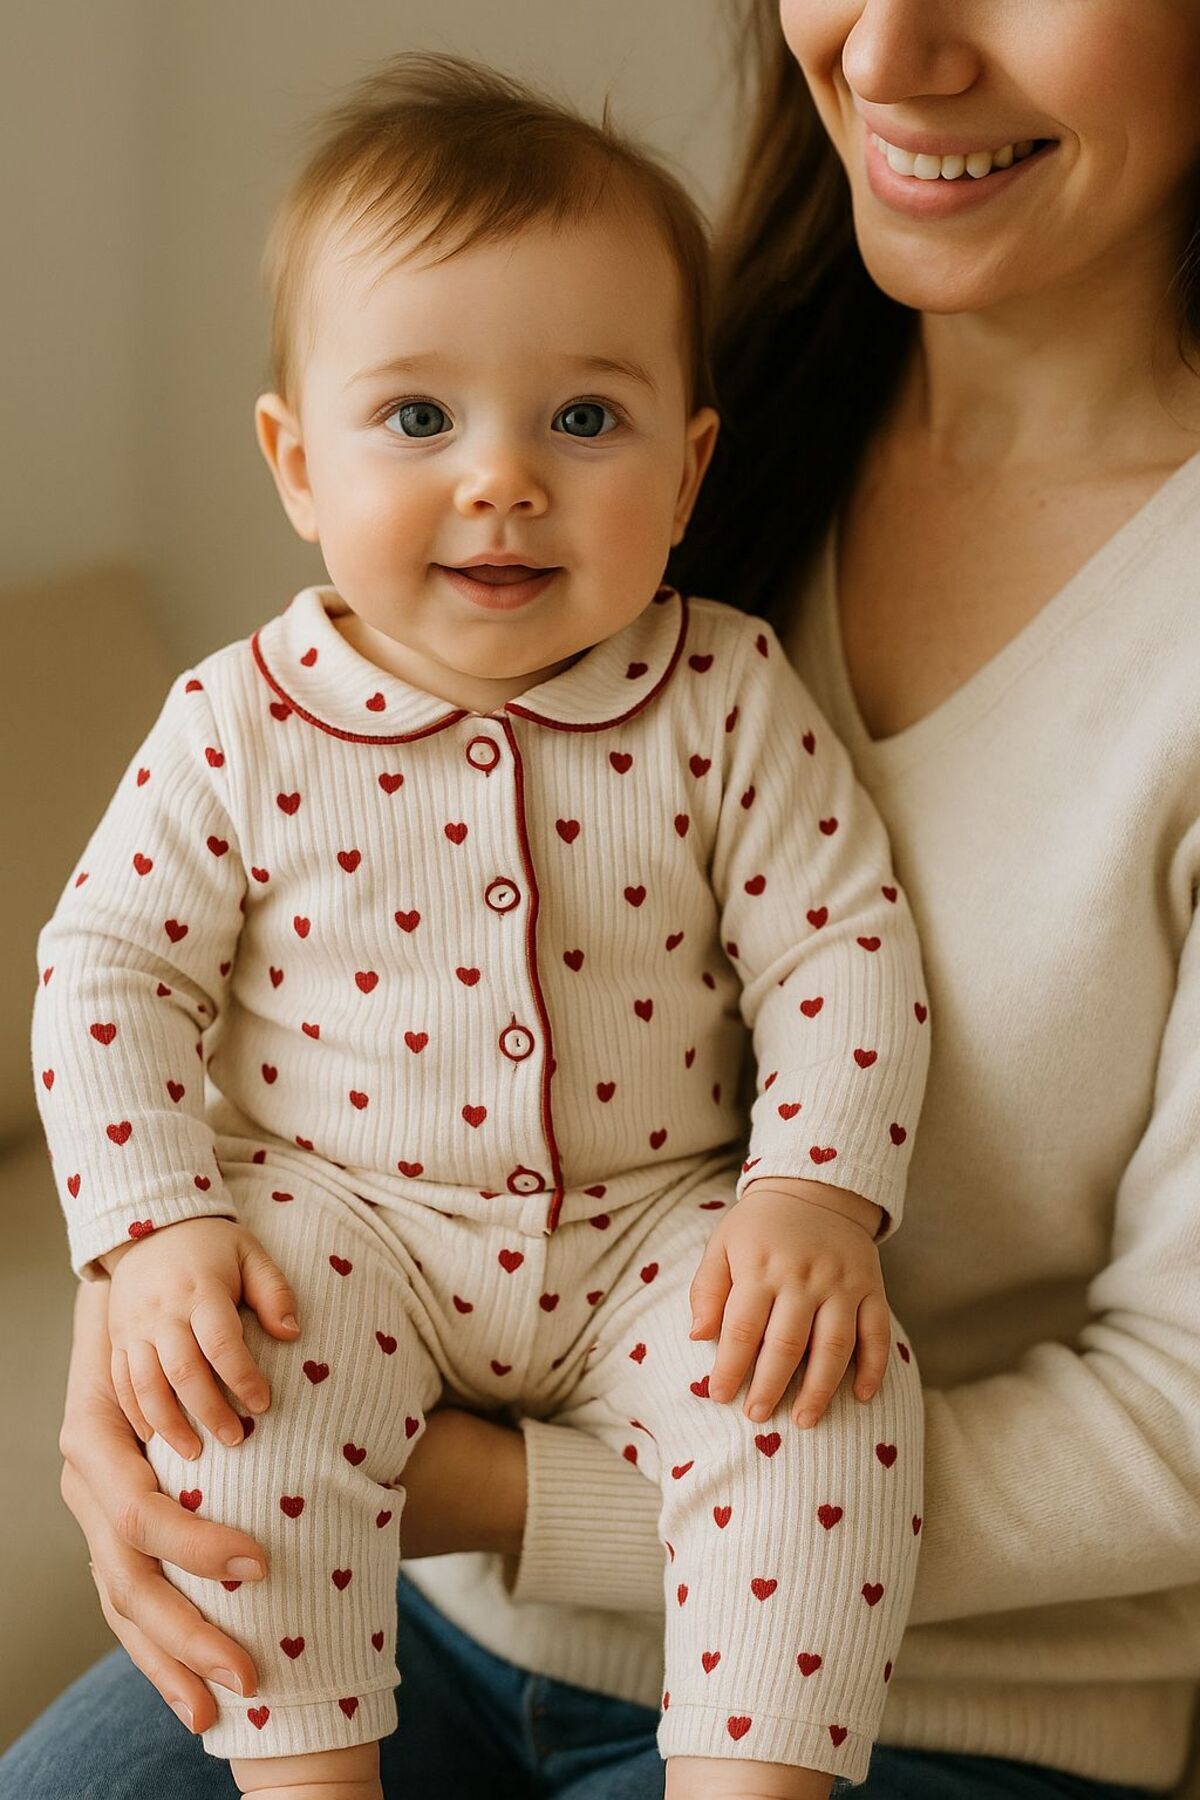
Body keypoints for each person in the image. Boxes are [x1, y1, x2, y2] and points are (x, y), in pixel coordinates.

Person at [3, 0, 1198, 1794]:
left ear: (674, 455)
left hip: (934, 1685)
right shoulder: (671, 385)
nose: (891, 49)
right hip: (432, 1594)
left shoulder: (704, 663)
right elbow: (131, 969)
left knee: (808, 1388)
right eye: (419, 418)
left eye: (577, 424)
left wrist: (795, 1210)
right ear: (298, 458)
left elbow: (841, 952)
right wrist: (156, 1266)